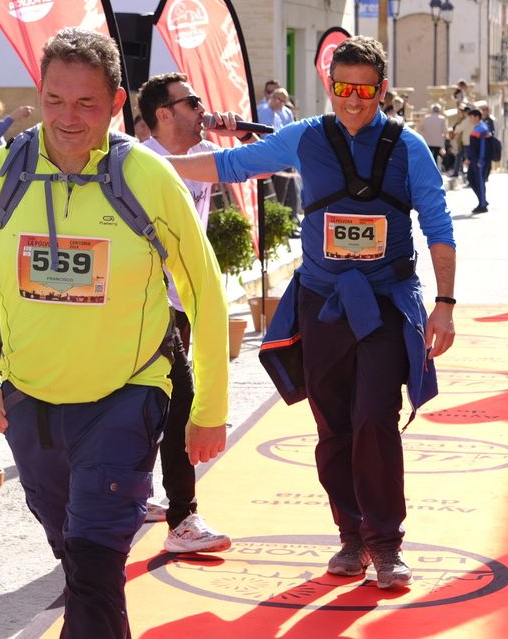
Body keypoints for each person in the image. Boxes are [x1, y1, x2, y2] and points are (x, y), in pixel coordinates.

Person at [0, 28, 229, 636]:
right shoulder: (4, 174)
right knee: (75, 553)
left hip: (127, 394)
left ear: (117, 103)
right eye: (54, 101)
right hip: (30, 403)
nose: (67, 118)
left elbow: (204, 293)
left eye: (86, 103)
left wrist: (210, 409)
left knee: (96, 556)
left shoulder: (148, 177)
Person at [164, 35, 456, 591]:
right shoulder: (305, 137)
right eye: (343, 88)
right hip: (322, 307)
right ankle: (350, 536)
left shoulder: (408, 146)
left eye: (364, 91)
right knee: (333, 426)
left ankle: (385, 543)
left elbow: (439, 225)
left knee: (376, 418)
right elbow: (229, 164)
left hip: (386, 303)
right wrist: (153, 165)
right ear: (330, 86)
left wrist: (444, 305)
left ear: (382, 90)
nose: (353, 100)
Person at [135, 72, 236, 555]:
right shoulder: (141, 164)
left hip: (184, 300)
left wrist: (239, 134)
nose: (202, 110)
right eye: (192, 102)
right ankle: (182, 516)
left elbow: (272, 163)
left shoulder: (201, 157)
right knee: (179, 401)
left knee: (158, 403)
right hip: (148, 304)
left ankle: (140, 498)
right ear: (163, 113)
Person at [465, 107, 491, 214]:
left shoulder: (482, 129)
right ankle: (482, 200)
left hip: (479, 160)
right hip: (474, 159)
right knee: (471, 179)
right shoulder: (478, 127)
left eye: (471, 117)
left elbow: (483, 146)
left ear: (476, 117)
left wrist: (480, 160)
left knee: (479, 182)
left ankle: (482, 205)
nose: (470, 119)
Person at [421, 104, 448, 173]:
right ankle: (434, 171)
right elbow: (445, 131)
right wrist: (445, 139)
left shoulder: (426, 118)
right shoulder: (442, 119)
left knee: (428, 155)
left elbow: (421, 128)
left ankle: (427, 169)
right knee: (435, 156)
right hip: (437, 142)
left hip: (427, 140)